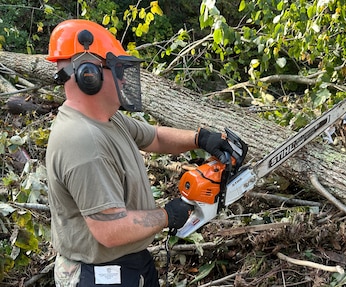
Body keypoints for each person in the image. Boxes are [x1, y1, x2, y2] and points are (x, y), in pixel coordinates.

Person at [45, 19, 233, 287]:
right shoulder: (83, 141)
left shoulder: (107, 118)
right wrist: (168, 215)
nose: (124, 77)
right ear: (89, 74)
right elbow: (109, 230)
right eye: (117, 69)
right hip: (98, 275)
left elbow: (154, 137)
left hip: (127, 263)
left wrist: (200, 138)